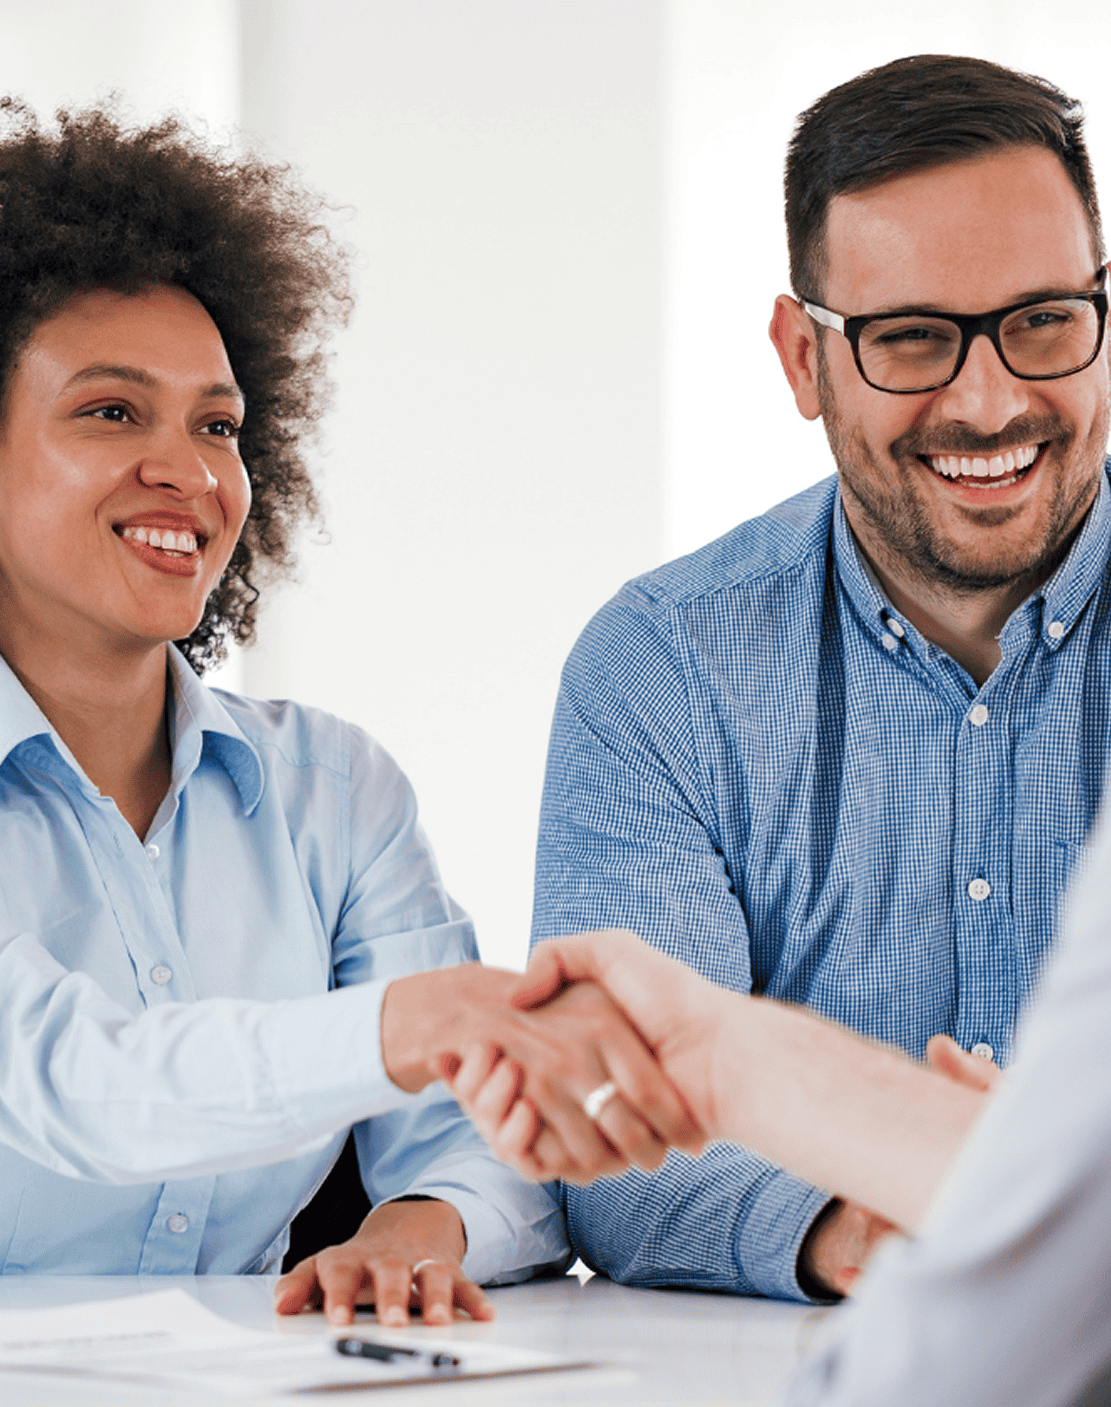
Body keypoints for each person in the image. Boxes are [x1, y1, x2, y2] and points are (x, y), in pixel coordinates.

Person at [460, 46, 1111, 1403]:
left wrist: (984, 1221)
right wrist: (855, 1220)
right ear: (802, 356)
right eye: (909, 338)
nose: (987, 400)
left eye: (1041, 321)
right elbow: (620, 1152)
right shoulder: (661, 667)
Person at [0, 101, 700, 1325]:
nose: (192, 472)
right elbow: (77, 1084)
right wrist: (409, 1023)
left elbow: (505, 1158)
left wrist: (422, 1224)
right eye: (112, 412)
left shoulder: (331, 788)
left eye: (218, 425)